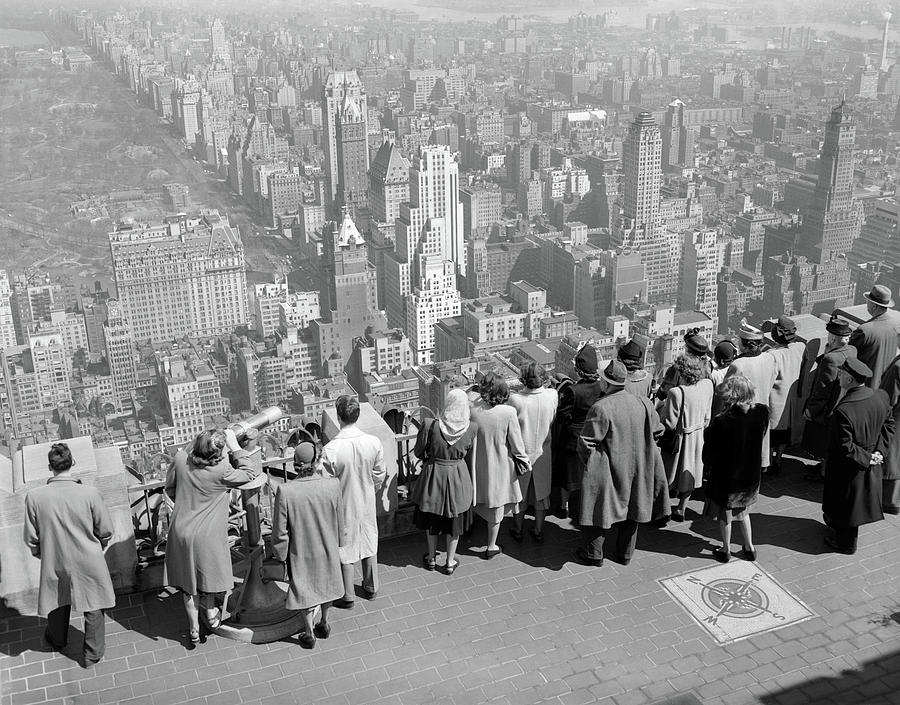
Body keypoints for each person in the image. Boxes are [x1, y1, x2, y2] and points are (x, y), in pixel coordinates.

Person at [23, 443, 116, 667]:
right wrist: (99, 545)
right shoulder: (89, 493)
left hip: (54, 556)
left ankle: (56, 640)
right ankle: (92, 655)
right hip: (88, 556)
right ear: (72, 462)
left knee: (57, 599)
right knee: (93, 604)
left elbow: (31, 536)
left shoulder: (34, 497)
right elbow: (106, 529)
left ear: (49, 466)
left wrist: (40, 553)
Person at [164, 428, 259, 643]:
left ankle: (194, 629)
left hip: (181, 531)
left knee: (189, 585)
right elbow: (249, 473)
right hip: (207, 535)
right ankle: (210, 614)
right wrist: (235, 447)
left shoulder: (180, 459)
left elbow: (170, 488)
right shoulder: (222, 471)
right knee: (207, 578)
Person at [575, 360, 671, 567]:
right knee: (633, 511)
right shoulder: (643, 403)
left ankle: (594, 554)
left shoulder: (601, 408)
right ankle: (625, 554)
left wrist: (588, 465)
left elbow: (586, 442)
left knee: (599, 510)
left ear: (606, 383)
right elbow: (658, 430)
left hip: (608, 467)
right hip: (639, 466)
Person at [271, 433, 343, 649]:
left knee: (303, 587)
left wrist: (280, 554)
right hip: (326, 545)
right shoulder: (332, 485)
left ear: (294, 465)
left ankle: (309, 631)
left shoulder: (286, 491)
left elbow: (280, 532)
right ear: (317, 460)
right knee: (327, 584)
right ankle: (324, 621)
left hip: (300, 549)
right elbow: (340, 520)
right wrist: (339, 542)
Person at [822, 359, 894, 554]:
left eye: (841, 373)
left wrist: (868, 457)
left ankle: (846, 545)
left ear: (850, 378)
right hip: (869, 459)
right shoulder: (880, 397)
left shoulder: (843, 411)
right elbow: (889, 425)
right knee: (852, 503)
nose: (838, 376)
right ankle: (838, 531)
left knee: (847, 504)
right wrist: (878, 452)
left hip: (848, 466)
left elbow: (845, 446)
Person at [322, 395, 386, 608]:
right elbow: (380, 473)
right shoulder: (373, 442)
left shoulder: (331, 449)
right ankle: (371, 586)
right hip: (366, 497)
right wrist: (372, 488)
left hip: (342, 501)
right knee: (369, 537)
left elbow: (326, 483)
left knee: (344, 545)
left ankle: (347, 593)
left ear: (339, 417)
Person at [410, 388, 477, 574]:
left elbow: (418, 451)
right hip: (458, 476)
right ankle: (449, 562)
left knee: (432, 520)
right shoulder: (472, 428)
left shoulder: (431, 425)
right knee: (454, 524)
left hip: (434, 476)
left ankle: (431, 558)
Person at [703, 375, 769, 563]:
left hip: (728, 475)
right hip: (750, 474)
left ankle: (725, 549)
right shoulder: (762, 412)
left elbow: (711, 450)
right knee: (743, 512)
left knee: (726, 514)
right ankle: (749, 547)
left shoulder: (723, 420)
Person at [470, 372, 531, 559]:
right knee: (496, 507)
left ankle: (471, 528)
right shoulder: (508, 413)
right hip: (500, 463)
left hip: (477, 462)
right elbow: (516, 443)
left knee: (478, 497)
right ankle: (491, 545)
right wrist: (525, 461)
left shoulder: (473, 409)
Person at [801, 314, 857, 481]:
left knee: (824, 440)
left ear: (833, 338)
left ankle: (824, 473)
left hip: (830, 407)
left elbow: (822, 389)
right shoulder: (852, 350)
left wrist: (810, 410)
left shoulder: (830, 359)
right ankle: (826, 469)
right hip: (845, 401)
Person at [552, 345, 605, 518]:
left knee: (567, 475)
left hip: (572, 437)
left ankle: (563, 505)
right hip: (594, 434)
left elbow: (562, 415)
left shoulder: (573, 390)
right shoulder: (602, 388)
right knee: (587, 471)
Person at [659, 354, 714, 521]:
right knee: (690, 472)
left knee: (669, 474)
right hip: (698, 437)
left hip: (680, 439)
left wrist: (661, 408)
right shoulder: (708, 385)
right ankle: (681, 508)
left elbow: (669, 423)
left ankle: (664, 510)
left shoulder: (677, 392)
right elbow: (707, 416)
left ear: (681, 372)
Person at [509, 363, 559, 543]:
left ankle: (518, 528)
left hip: (522, 453)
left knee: (520, 494)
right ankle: (538, 530)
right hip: (543, 452)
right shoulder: (552, 396)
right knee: (541, 494)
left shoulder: (516, 400)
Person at [726, 320, 777, 474]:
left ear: (744, 344)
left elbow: (725, 391)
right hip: (763, 410)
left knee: (742, 450)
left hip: (743, 414)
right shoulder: (769, 358)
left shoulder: (738, 364)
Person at [764, 315, 806, 474]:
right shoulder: (801, 347)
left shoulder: (772, 355)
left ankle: (766, 464)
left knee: (770, 435)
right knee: (784, 434)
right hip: (791, 400)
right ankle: (779, 460)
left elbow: (768, 379)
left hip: (775, 400)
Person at [849, 284, 899, 389]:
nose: (866, 304)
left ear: (874, 306)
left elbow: (847, 356)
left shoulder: (865, 330)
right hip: (884, 386)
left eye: (868, 301)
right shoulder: (896, 324)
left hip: (864, 386)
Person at [878, 332, 900, 515]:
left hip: (896, 418)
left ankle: (890, 500)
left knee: (892, 455)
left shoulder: (898, 367)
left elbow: (889, 397)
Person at [656, 330, 712, 402]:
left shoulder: (678, 369)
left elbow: (663, 394)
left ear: (688, 351)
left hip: (679, 408)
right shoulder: (707, 368)